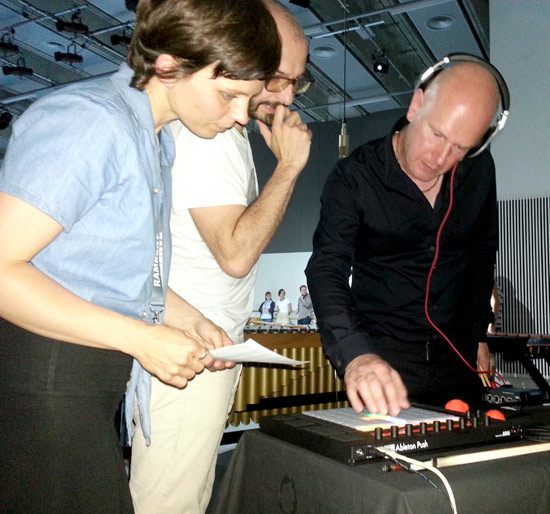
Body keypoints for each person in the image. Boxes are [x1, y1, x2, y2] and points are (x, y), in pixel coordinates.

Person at [0, 1, 281, 512]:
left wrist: (190, 320)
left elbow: (108, 272)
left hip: (84, 383)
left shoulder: (154, 142)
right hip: (46, 381)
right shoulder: (90, 121)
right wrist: (141, 337)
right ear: (169, 66)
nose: (242, 115)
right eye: (228, 94)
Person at [129, 2, 310, 513]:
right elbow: (235, 253)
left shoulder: (223, 132)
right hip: (189, 351)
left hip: (197, 341)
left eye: (297, 82)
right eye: (278, 78)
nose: (287, 96)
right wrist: (289, 168)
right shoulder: (212, 138)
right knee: (169, 503)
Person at [306, 59, 503, 417]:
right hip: (383, 364)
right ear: (416, 105)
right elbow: (327, 268)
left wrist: (478, 333)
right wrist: (356, 354)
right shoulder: (354, 177)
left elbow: (481, 254)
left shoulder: (479, 170)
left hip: (456, 357)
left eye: (460, 148)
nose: (440, 158)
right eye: (437, 134)